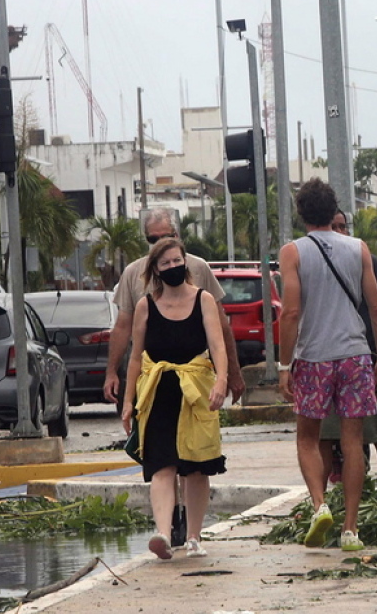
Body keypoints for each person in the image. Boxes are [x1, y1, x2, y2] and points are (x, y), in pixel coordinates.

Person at [277, 180, 377, 553]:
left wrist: (283, 364)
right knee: (353, 440)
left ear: (301, 213)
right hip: (356, 355)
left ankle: (319, 505)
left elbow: (291, 311)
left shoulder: (292, 253)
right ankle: (351, 529)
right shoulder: (358, 248)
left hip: (313, 358)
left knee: (308, 438)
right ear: (334, 210)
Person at [122, 238, 229, 560]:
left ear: (185, 262)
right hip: (157, 392)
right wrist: (129, 401)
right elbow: (135, 358)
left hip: (196, 391)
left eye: (176, 261)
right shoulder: (146, 305)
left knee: (196, 468)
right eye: (165, 263)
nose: (172, 267)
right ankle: (164, 534)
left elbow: (218, 345)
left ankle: (195, 536)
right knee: (161, 466)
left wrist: (221, 381)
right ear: (155, 269)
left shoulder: (204, 300)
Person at [104, 207, 244, 408]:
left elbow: (220, 330)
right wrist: (112, 372)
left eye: (165, 236)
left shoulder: (198, 268)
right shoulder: (133, 273)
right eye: (153, 239)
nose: (160, 243)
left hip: (195, 378)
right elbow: (123, 328)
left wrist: (232, 373)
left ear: (176, 235)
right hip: (151, 378)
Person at [319, 210, 377, 483]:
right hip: (325, 361)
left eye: (343, 226)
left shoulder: (367, 260)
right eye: (333, 226)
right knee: (326, 436)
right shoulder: (313, 262)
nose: (339, 231)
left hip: (366, 361)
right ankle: (321, 504)